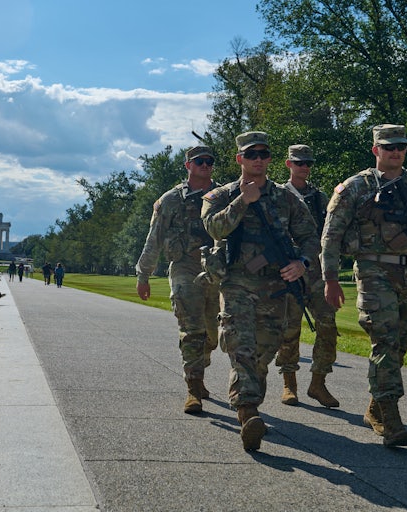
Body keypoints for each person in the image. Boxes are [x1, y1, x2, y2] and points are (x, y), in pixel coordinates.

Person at [321, 124, 407, 447]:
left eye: (401, 146)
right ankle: (391, 419)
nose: (395, 151)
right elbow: (331, 236)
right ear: (376, 150)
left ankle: (374, 407)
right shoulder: (355, 188)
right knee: (385, 339)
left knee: (404, 335)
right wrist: (330, 278)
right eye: (388, 146)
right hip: (372, 272)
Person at [201, 132, 319, 451]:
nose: (258, 160)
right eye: (251, 154)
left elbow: (310, 237)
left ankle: (250, 404)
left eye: (263, 154)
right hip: (237, 283)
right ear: (239, 159)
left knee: (265, 353)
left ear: (269, 159)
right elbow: (213, 228)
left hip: (276, 287)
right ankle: (248, 412)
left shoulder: (286, 198)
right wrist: (243, 201)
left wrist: (302, 263)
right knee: (242, 347)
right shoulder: (221, 195)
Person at [135, 145, 221, 415]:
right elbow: (155, 238)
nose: (205, 165)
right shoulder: (171, 200)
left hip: (217, 271)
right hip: (185, 267)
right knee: (192, 329)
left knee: (213, 337)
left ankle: (200, 371)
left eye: (209, 161)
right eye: (199, 161)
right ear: (188, 165)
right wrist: (143, 274)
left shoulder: (223, 195)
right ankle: (193, 389)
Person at [275, 145, 340, 408]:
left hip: (314, 268)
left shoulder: (318, 196)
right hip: (288, 269)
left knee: (328, 324)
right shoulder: (278, 194)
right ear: (289, 164)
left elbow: (330, 229)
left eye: (307, 163)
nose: (304, 167)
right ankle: (289, 383)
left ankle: (318, 382)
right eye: (299, 163)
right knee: (290, 329)